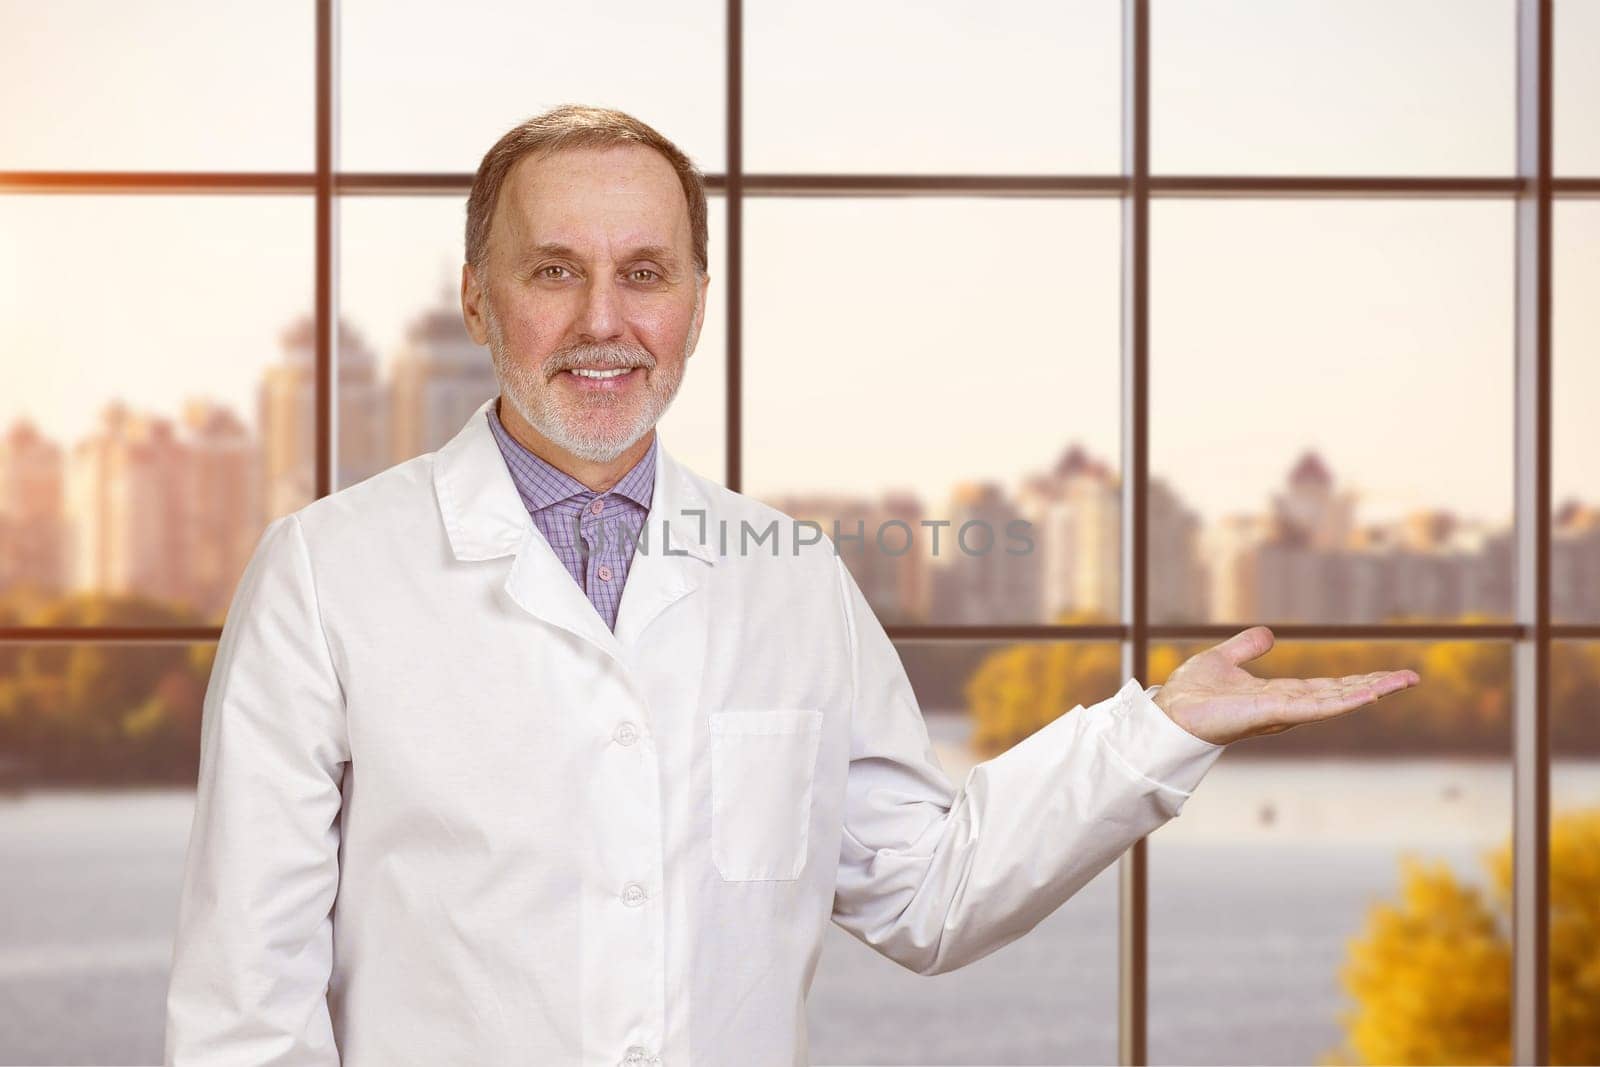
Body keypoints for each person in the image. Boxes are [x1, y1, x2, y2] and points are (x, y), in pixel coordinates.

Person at [163, 104, 1421, 1067]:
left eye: (646, 273)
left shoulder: (792, 577)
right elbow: (244, 1006)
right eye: (554, 271)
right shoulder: (326, 574)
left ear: (698, 303)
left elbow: (927, 891)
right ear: (477, 299)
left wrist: (1154, 729)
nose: (605, 319)